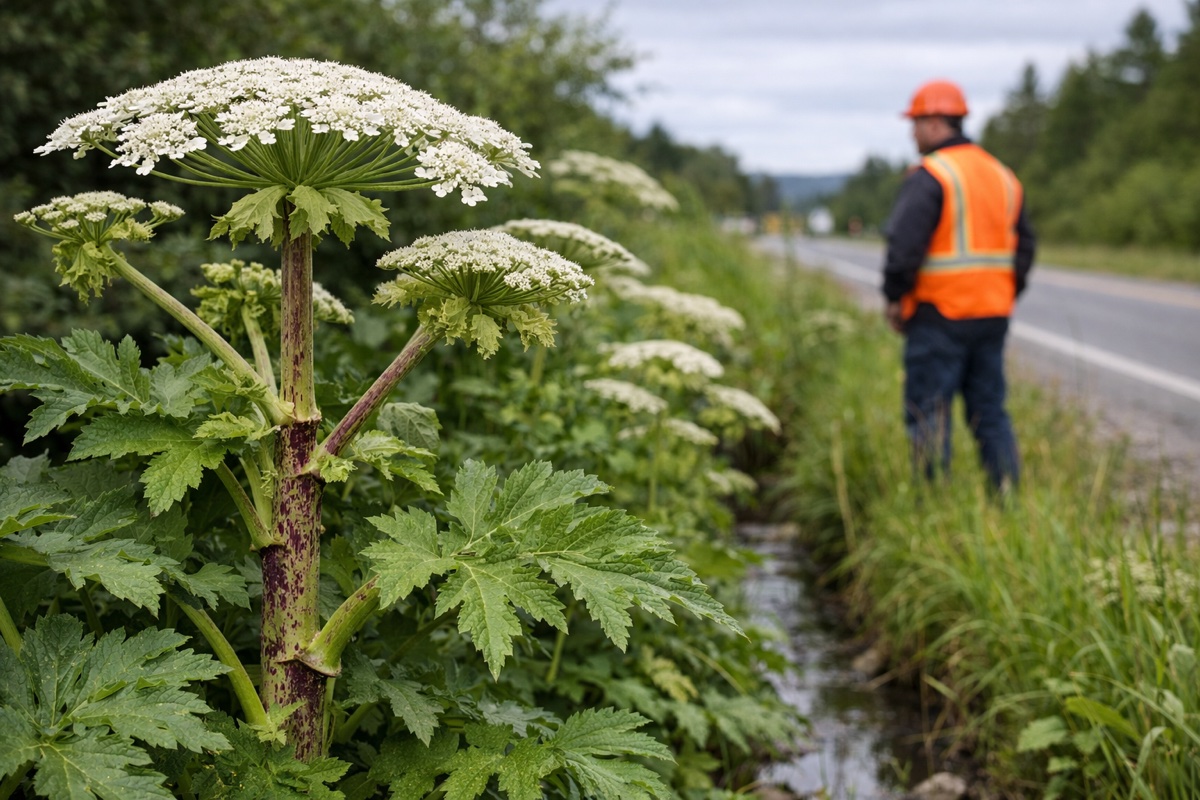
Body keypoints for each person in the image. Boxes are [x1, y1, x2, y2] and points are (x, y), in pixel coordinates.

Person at [882, 79, 1036, 493]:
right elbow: (1025, 248)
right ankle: (1006, 498)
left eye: (915, 122)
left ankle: (933, 506)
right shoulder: (1002, 176)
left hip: (939, 315)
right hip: (992, 315)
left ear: (934, 122)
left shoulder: (932, 175)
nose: (913, 132)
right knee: (990, 410)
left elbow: (904, 248)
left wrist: (896, 298)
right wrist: (1003, 292)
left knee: (928, 413)